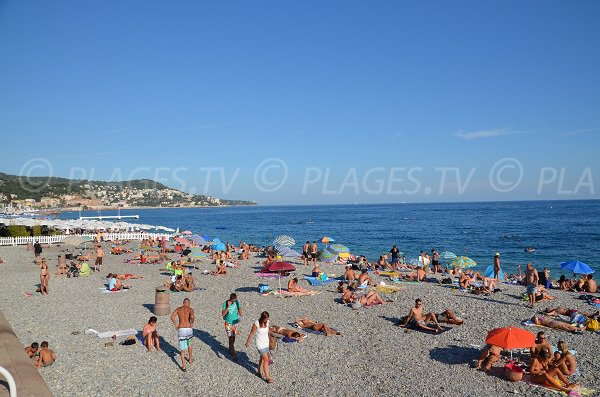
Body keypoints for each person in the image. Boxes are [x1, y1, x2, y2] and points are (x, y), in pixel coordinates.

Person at [245, 311, 273, 383]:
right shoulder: (256, 323)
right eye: (266, 319)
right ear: (262, 318)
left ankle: (259, 371)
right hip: (260, 344)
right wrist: (248, 342)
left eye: (267, 319)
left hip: (266, 342)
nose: (267, 320)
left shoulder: (267, 322)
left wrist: (272, 335)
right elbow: (251, 333)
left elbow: (268, 331)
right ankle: (267, 377)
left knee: (262, 358)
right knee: (266, 360)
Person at [170, 298, 195, 371]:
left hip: (181, 329)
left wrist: (176, 325)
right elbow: (192, 317)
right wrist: (192, 322)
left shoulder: (179, 309)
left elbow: (172, 317)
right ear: (189, 303)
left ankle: (183, 366)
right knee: (189, 344)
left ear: (183, 303)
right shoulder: (190, 309)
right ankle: (190, 359)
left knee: (182, 349)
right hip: (188, 329)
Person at [222, 293, 243, 360]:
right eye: (233, 300)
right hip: (228, 323)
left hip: (235, 323)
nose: (234, 301)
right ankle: (233, 353)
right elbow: (223, 314)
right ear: (230, 298)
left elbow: (240, 312)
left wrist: (239, 310)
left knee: (233, 337)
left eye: (235, 300)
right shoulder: (225, 303)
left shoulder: (237, 302)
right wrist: (228, 306)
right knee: (231, 337)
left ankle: (230, 349)